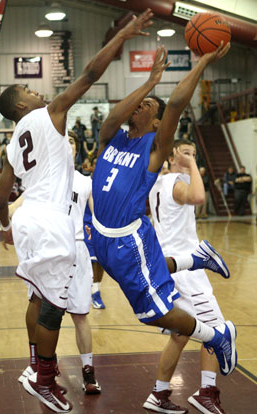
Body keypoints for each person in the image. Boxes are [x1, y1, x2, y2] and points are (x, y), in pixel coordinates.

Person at [0, 8, 155, 412]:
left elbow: (0, 198)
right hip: (49, 222)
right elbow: (88, 76)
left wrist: (5, 226)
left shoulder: (13, 143)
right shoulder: (45, 116)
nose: (36, 92)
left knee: (38, 299)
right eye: (27, 90)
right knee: (53, 306)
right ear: (19, 105)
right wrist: (122, 37)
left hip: (27, 218)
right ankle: (44, 381)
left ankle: (35, 368)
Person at [91, 42, 237, 411]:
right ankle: (195, 259)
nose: (141, 104)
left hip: (128, 240)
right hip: (105, 240)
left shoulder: (154, 150)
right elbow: (120, 112)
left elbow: (174, 105)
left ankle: (216, 336)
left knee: (155, 315)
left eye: (148, 106)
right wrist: (148, 82)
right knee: (170, 318)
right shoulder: (112, 137)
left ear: (157, 125)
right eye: (139, 102)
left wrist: (202, 61)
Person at [15, 131, 101, 395]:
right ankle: (41, 365)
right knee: (40, 308)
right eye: (65, 140)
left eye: (73, 141)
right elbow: (17, 205)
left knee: (80, 316)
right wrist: (6, 220)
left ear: (76, 149)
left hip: (76, 248)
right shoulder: (42, 179)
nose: (68, 145)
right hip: (48, 249)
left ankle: (88, 372)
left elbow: (99, 218)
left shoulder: (85, 181)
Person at [147, 138, 228, 414]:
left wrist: (187, 161)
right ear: (171, 156)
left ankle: (158, 393)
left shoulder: (157, 184)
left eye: (194, 153)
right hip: (185, 270)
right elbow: (198, 197)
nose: (191, 157)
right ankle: (206, 392)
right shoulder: (174, 183)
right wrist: (192, 163)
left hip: (169, 265)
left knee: (180, 335)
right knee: (217, 332)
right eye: (185, 152)